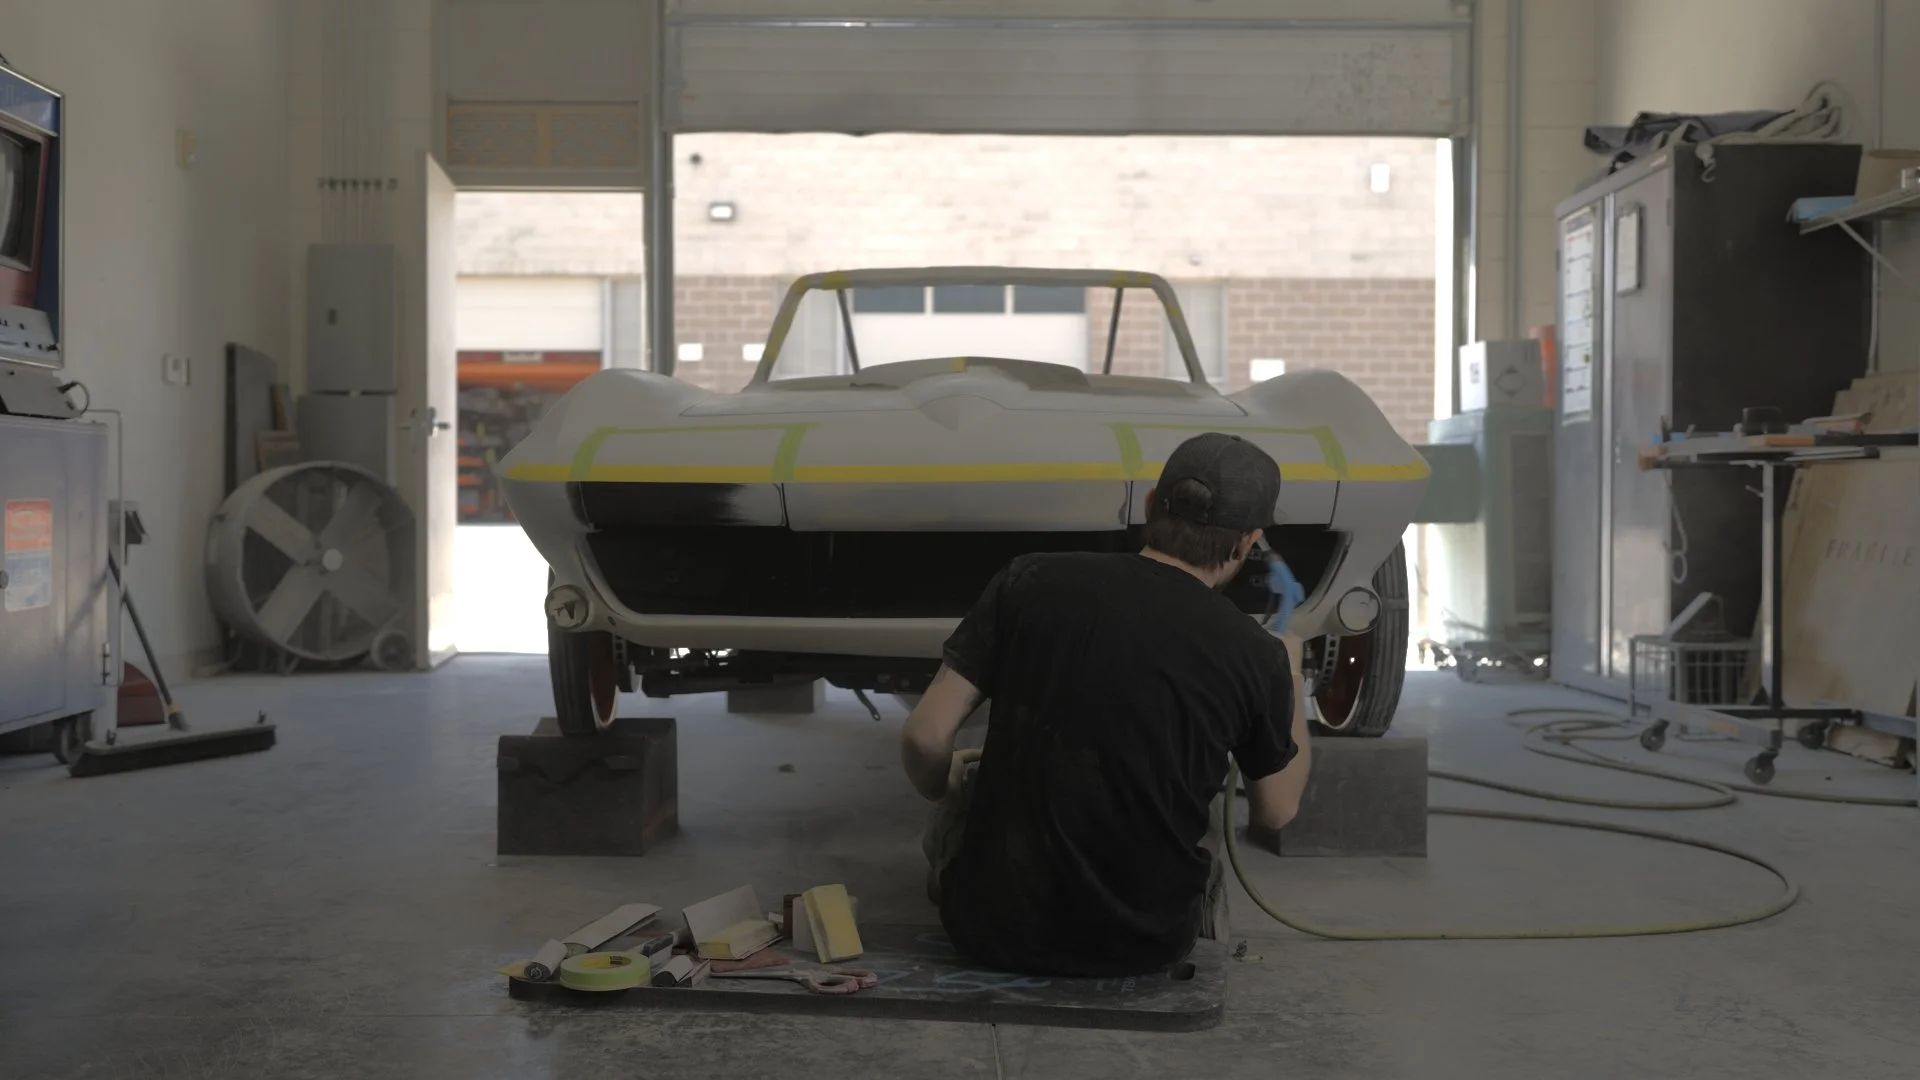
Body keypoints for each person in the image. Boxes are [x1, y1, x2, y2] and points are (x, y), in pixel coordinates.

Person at [900, 432, 1313, 978]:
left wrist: (948, 788)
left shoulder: (1028, 578)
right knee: (1205, 812)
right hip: (1143, 948)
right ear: (1246, 543)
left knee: (968, 774)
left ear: (1148, 505)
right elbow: (1276, 811)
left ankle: (955, 875)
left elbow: (924, 737)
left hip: (984, 935)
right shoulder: (1255, 653)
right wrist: (1289, 669)